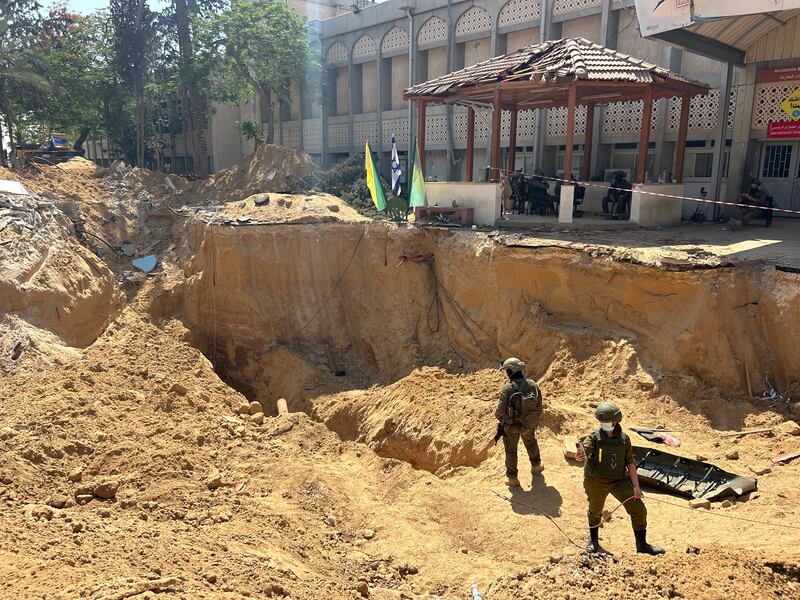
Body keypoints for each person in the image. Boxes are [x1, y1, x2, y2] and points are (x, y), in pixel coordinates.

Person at [574, 402, 665, 556]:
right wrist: (579, 455)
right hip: (596, 481)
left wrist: (636, 487)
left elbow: (630, 462)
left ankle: (642, 545)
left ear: (615, 421)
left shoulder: (624, 439)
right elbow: (584, 451)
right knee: (595, 511)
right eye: (602, 422)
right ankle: (593, 542)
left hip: (618, 481)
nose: (604, 424)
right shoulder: (593, 436)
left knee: (639, 510)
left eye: (607, 422)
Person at [495, 357, 543, 487]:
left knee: (511, 451)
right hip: (528, 424)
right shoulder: (533, 384)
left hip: (512, 427)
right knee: (531, 443)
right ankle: (536, 467)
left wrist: (502, 421)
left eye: (507, 371)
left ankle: (512, 479)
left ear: (511, 371)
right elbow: (539, 407)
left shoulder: (507, 388)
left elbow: (499, 412)